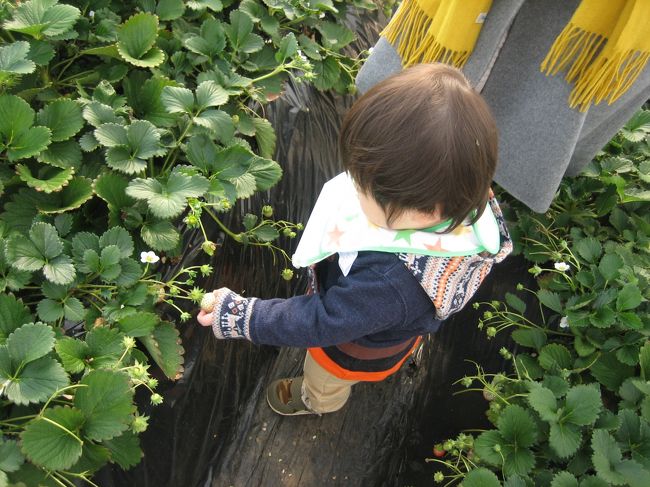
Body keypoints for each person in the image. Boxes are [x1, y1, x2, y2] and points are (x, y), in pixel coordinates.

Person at [197, 63, 512, 416]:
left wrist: (244, 316)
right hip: (389, 321)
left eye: (365, 188)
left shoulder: (390, 282)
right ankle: (409, 338)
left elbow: (324, 321)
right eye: (358, 175)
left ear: (427, 212)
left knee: (327, 376)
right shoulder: (459, 197)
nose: (355, 186)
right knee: (397, 320)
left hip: (354, 346)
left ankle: (316, 400)